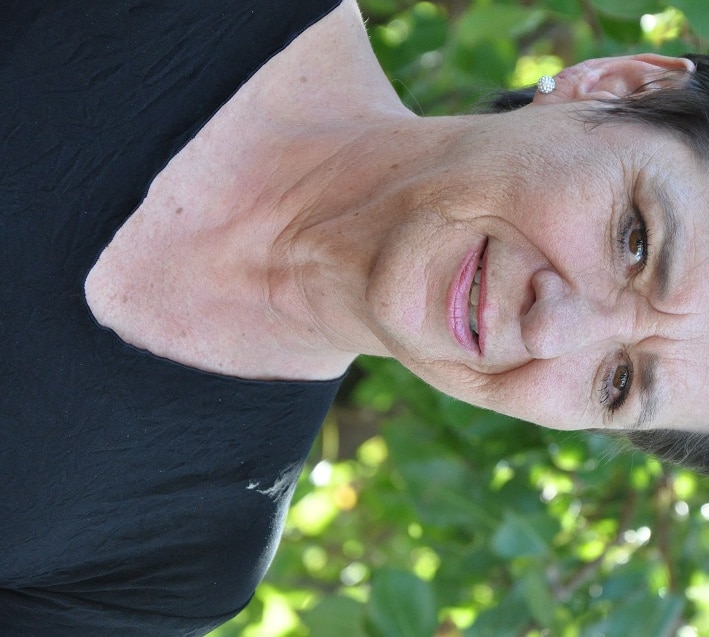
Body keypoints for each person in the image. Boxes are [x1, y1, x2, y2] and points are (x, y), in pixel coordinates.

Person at [3, 0, 709, 634]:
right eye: (635, 241)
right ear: (619, 86)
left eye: (618, 381)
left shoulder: (172, 564)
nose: (551, 331)